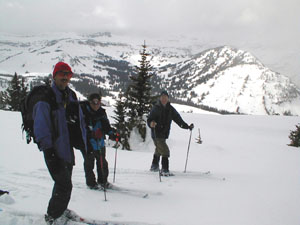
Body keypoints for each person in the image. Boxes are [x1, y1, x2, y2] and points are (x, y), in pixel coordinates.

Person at [32, 62, 87, 225]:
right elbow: (41, 127)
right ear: (54, 75)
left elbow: (78, 121)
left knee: (63, 182)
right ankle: (52, 217)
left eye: (68, 75)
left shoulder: (70, 96)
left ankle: (60, 210)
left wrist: (82, 143)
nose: (65, 78)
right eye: (62, 74)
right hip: (53, 150)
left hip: (67, 148)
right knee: (65, 185)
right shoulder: (46, 98)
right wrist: (49, 151)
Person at [147, 90, 194, 176]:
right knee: (165, 151)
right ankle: (164, 170)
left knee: (158, 150)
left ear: (168, 99)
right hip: (156, 134)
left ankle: (154, 166)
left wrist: (187, 127)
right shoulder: (156, 108)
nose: (164, 99)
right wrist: (151, 124)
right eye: (162, 97)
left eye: (165, 97)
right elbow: (149, 119)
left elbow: (178, 120)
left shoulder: (170, 109)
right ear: (160, 98)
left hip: (164, 134)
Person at [80, 92, 118, 189]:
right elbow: (81, 129)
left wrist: (112, 134)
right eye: (94, 102)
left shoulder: (101, 112)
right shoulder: (84, 112)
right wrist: (92, 134)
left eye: (98, 102)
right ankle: (91, 183)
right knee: (89, 163)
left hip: (100, 142)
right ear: (90, 102)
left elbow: (106, 127)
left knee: (102, 162)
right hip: (88, 143)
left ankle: (103, 181)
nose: (96, 105)